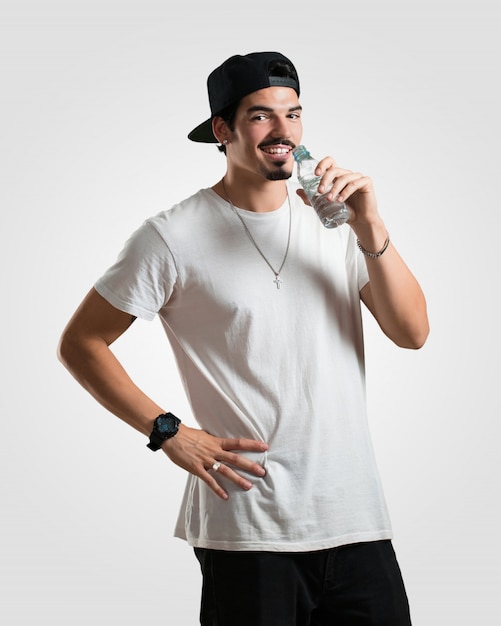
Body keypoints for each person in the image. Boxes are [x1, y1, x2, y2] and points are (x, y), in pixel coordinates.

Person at [58, 51, 429, 625]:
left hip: (355, 520)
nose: (283, 131)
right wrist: (168, 433)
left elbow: (412, 333)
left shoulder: (336, 224)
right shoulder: (171, 236)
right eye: (261, 115)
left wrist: (371, 226)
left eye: (294, 113)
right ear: (222, 130)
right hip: (249, 529)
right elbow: (81, 343)